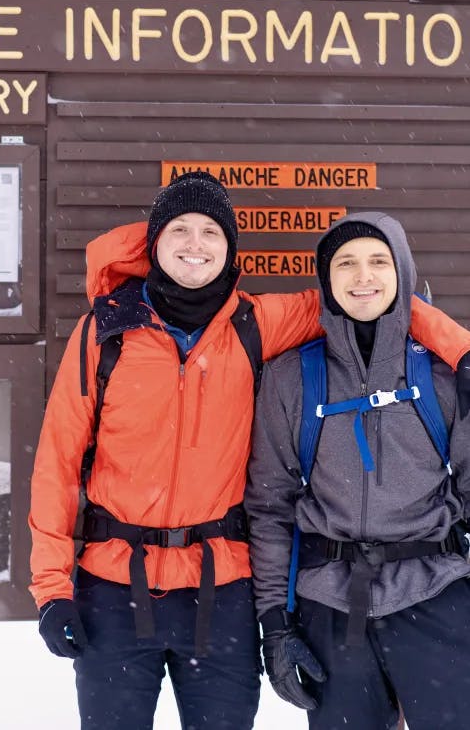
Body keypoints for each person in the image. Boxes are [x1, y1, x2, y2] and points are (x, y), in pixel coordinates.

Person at [29, 176, 470, 730]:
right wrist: (51, 587)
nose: (196, 243)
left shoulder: (256, 324)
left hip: (222, 590)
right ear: (154, 243)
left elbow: (369, 299)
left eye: (211, 230)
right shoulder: (105, 334)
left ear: (230, 247)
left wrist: (462, 349)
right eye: (180, 229)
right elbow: (57, 462)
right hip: (115, 585)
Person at [245, 211, 470, 730]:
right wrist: (275, 624)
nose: (362, 276)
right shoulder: (291, 379)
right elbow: (269, 508)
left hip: (437, 594)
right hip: (331, 605)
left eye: (377, 261)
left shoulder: (441, 375)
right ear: (326, 280)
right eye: (345, 263)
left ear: (403, 273)